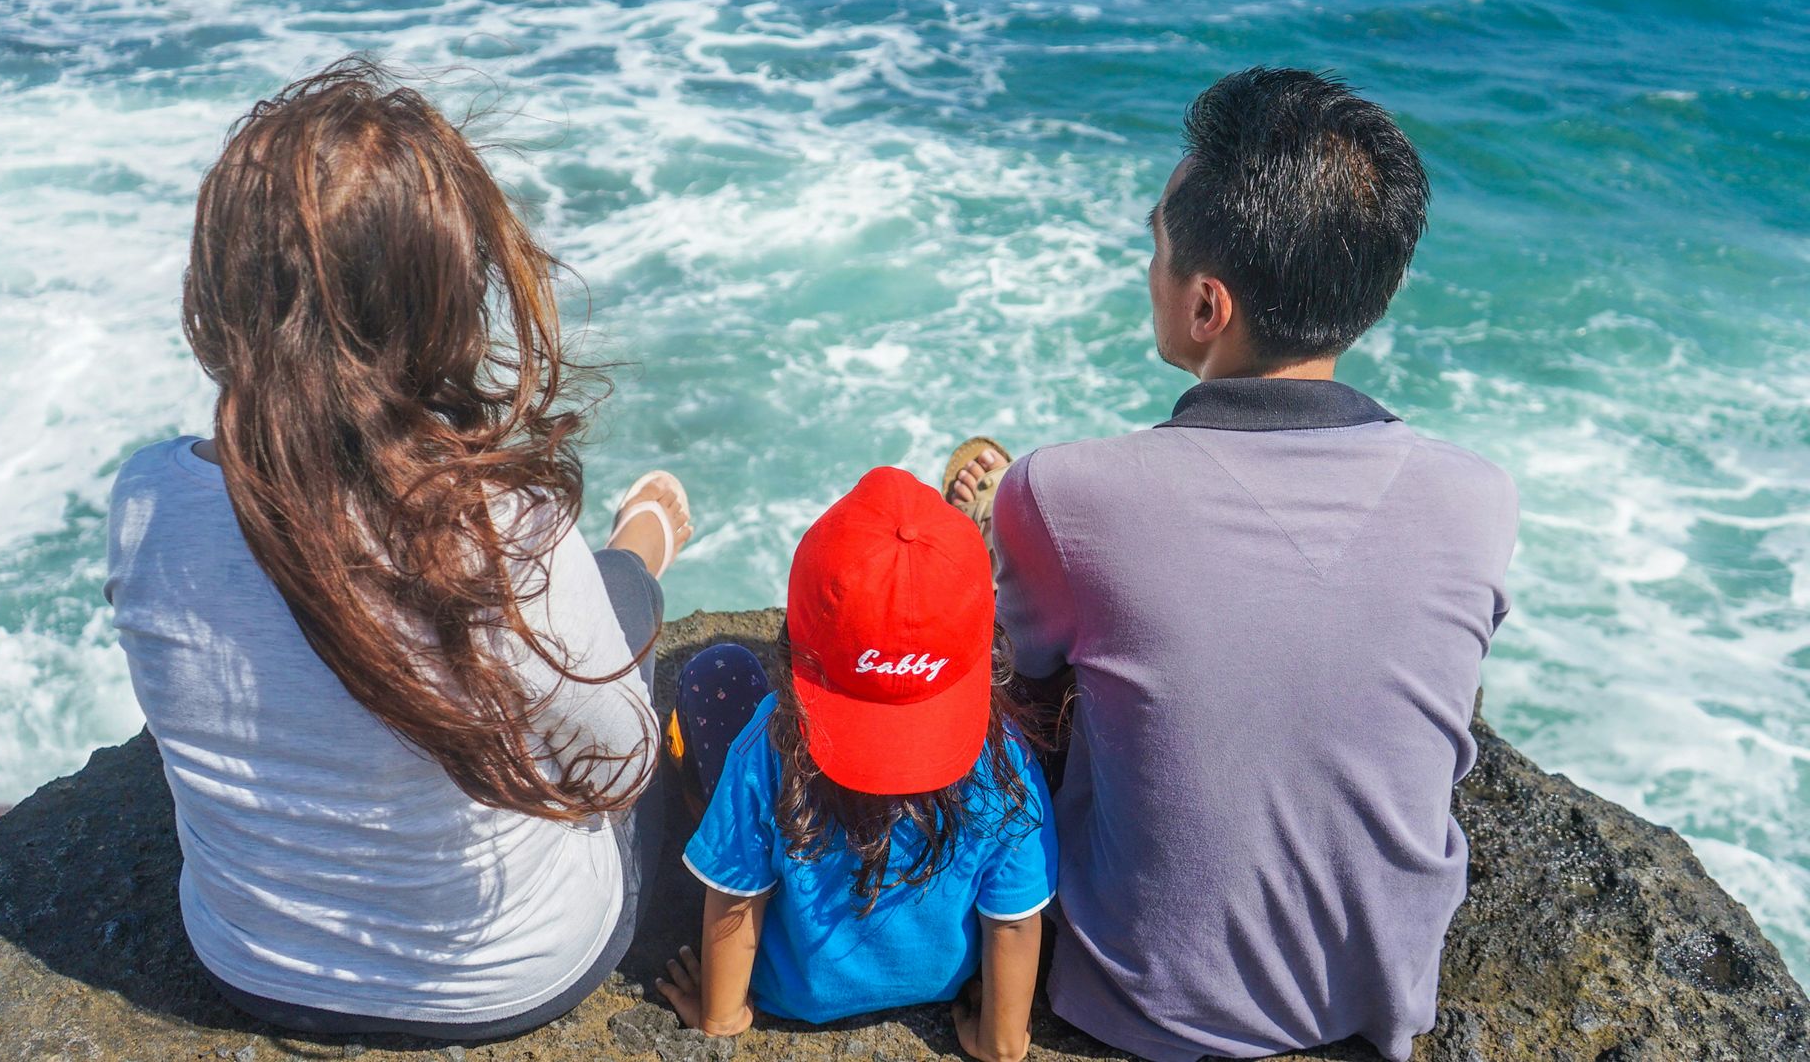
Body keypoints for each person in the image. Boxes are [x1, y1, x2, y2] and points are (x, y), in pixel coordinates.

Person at [103, 59, 696, 1039]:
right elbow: (617, 766)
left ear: (220, 287)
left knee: (596, 606)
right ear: (443, 301)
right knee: (643, 649)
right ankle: (640, 551)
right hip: (508, 978)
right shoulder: (496, 528)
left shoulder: (148, 499)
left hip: (248, 960)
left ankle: (633, 562)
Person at [945, 68, 1520, 1061]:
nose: (1149, 266)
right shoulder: (1480, 497)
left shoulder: (1062, 491)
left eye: (1157, 247)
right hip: (1378, 996)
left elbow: (1026, 689)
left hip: (1140, 1002)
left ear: (1209, 305)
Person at [653, 467, 1058, 1062]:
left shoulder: (770, 743)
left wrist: (722, 1016)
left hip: (790, 994)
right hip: (944, 985)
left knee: (717, 674)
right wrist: (999, 1043)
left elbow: (735, 898)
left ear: (794, 634)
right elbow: (1015, 922)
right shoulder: (1004, 756)